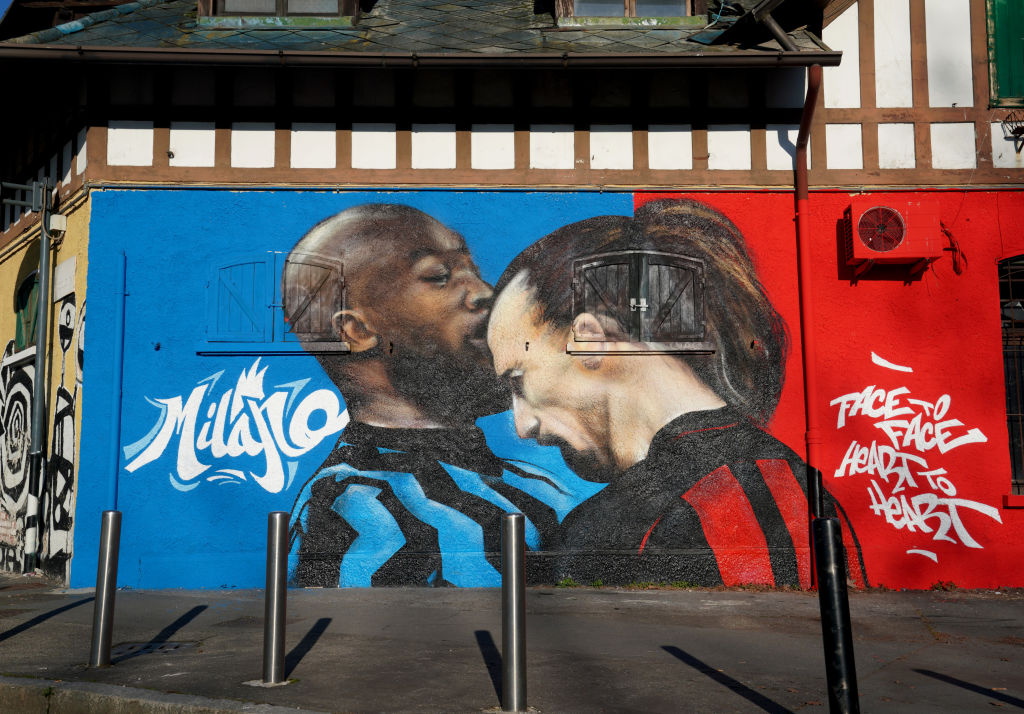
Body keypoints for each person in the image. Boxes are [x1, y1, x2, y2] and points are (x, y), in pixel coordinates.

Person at [487, 198, 867, 588]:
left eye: (518, 381)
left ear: (590, 340)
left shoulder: (682, 512)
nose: (522, 426)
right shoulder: (791, 486)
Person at [285, 203, 595, 587]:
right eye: (439, 276)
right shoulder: (353, 505)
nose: (485, 293)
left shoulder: (539, 484)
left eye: (475, 272)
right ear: (355, 332)